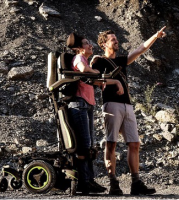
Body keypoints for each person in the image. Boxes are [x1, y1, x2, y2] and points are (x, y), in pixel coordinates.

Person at [91, 26, 167, 195]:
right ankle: (113, 183)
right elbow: (93, 79)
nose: (117, 41)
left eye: (116, 39)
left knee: (134, 144)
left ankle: (136, 183)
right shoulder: (99, 61)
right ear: (104, 44)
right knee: (111, 144)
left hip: (127, 105)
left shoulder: (122, 61)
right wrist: (112, 82)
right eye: (113, 39)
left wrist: (155, 35)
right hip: (111, 104)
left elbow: (141, 49)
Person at [66, 33, 122, 195]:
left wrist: (110, 80)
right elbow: (84, 70)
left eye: (89, 43)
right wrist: (95, 71)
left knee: (89, 145)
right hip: (79, 104)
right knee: (84, 145)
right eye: (86, 43)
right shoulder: (79, 59)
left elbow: (92, 78)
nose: (90, 45)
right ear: (78, 49)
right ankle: (84, 182)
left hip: (87, 105)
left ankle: (89, 180)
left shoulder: (84, 59)